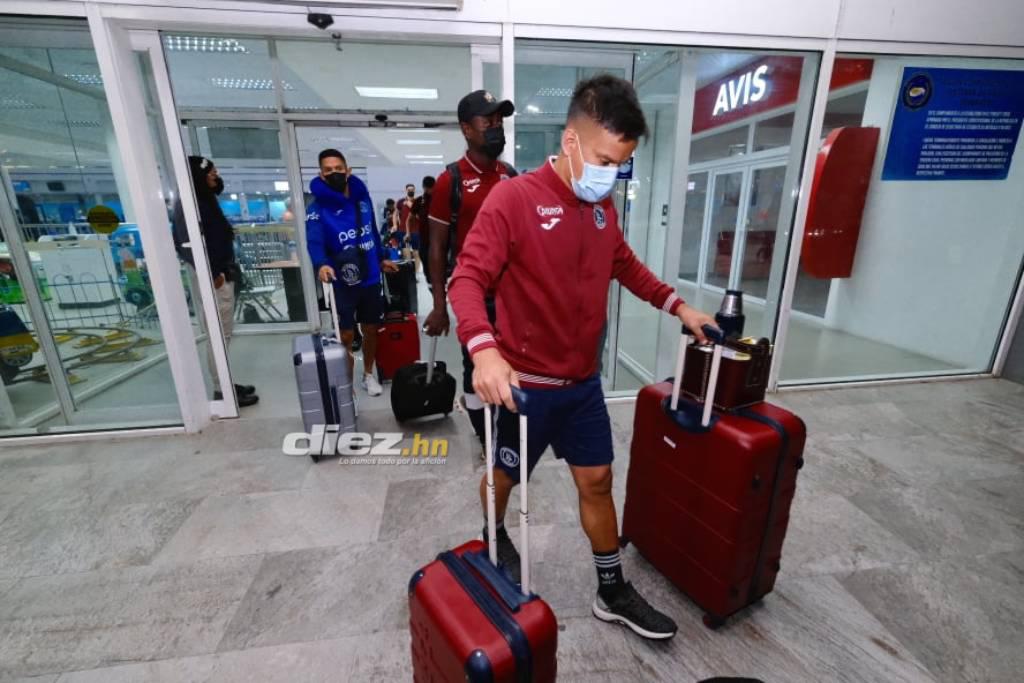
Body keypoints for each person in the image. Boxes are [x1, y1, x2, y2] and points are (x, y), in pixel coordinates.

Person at [448, 75, 719, 641]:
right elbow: (467, 277)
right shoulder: (514, 199)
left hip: (581, 386)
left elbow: (624, 264)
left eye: (621, 164)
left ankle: (611, 588)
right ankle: (494, 536)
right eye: (603, 159)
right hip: (525, 385)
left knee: (597, 481)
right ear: (571, 141)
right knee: (503, 476)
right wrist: (484, 349)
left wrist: (679, 306)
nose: (611, 175)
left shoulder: (602, 209)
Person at [423, 90, 516, 452]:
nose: (496, 127)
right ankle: (485, 437)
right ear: (466, 129)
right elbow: (436, 248)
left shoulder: (509, 174)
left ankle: (508, 432)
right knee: (475, 368)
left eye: (499, 120)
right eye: (487, 121)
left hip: (512, 298)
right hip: (474, 296)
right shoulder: (451, 180)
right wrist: (439, 304)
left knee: (511, 364)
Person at [305, 148, 398, 397]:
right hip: (341, 280)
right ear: (321, 175)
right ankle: (346, 382)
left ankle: (368, 374)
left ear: (348, 171)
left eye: (338, 169)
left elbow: (373, 234)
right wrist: (321, 264)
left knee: (370, 328)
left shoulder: (362, 198)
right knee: (345, 334)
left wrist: (381, 260)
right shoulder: (317, 208)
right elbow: (314, 240)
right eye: (328, 170)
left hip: (369, 277)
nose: (334, 173)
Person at [172, 155, 258, 407]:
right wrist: (214, 274)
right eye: (211, 171)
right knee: (219, 334)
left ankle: (225, 383)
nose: (216, 174)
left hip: (221, 272)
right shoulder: (190, 204)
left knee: (224, 333)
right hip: (214, 277)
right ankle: (222, 390)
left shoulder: (202, 200)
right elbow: (187, 244)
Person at [408, 175, 435, 272]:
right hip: (424, 238)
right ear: (424, 187)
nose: (430, 191)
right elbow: (409, 219)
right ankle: (430, 282)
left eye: (432, 188)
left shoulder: (440, 199)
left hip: (438, 238)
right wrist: (407, 232)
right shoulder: (419, 201)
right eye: (428, 188)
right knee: (424, 259)